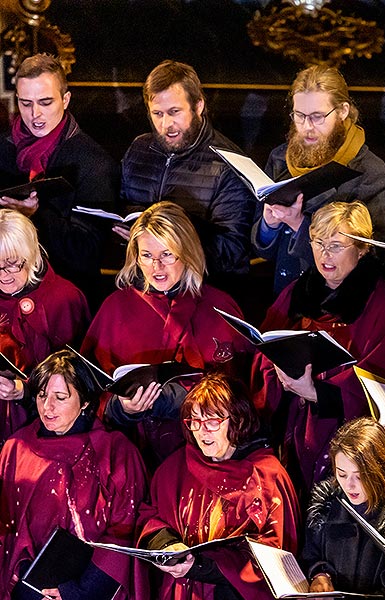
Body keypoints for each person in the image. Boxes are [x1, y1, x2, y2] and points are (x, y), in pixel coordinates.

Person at [253, 201, 385, 494]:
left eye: (336, 245)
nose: (325, 254)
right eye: (318, 243)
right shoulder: (298, 293)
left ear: (362, 250)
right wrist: (278, 373)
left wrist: (316, 393)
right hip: (292, 432)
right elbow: (264, 350)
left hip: (351, 452)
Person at [81, 201, 251, 465]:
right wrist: (122, 408)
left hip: (207, 458)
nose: (156, 266)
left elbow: (245, 394)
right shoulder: (115, 308)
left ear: (188, 252)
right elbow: (91, 393)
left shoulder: (221, 307)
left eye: (168, 254)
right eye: (146, 255)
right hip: (133, 457)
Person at [0, 349, 147, 600]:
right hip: (26, 586)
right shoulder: (15, 448)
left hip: (90, 589)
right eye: (42, 395)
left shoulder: (115, 451)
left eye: (60, 397)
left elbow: (124, 532)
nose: (48, 407)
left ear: (86, 401)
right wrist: (31, 587)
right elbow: (7, 528)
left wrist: (76, 592)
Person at [139, 373, 300, 600]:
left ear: (238, 420)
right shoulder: (174, 468)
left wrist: (203, 566)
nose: (202, 431)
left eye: (213, 421)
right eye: (194, 421)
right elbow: (150, 515)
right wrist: (167, 544)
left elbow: (276, 555)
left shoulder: (266, 476)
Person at [252, 65, 385, 295]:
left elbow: (369, 258)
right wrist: (269, 225)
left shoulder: (373, 174)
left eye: (317, 117)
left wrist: (300, 225)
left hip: (338, 301)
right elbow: (262, 249)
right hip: (286, 295)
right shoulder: (280, 158)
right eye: (299, 116)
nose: (307, 127)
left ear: (342, 111)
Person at [119, 60, 255, 286]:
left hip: (203, 291)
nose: (166, 125)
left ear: (198, 105)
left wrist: (169, 244)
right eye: (157, 114)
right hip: (144, 286)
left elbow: (234, 251)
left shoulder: (228, 163)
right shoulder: (139, 149)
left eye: (175, 112)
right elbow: (124, 207)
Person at [0, 53, 119, 307]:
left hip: (66, 301)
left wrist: (36, 216)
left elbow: (89, 254)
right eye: (26, 103)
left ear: (65, 100)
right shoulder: (4, 147)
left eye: (45, 102)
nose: (35, 114)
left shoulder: (94, 163)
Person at [304, 418, 385, 594]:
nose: (349, 485)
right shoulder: (326, 504)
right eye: (342, 474)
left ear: (380, 470)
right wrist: (319, 574)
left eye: (359, 476)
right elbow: (310, 555)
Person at [0, 209, 89, 444]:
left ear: (32, 255)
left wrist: (25, 390)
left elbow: (80, 375)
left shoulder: (63, 298)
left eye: (12, 265)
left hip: (44, 426)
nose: (3, 276)